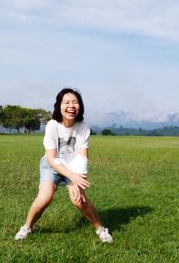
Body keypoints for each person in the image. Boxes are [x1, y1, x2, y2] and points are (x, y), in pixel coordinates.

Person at [15, 88, 113, 243]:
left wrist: (78, 178)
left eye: (75, 102)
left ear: (80, 106)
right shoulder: (52, 126)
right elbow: (52, 159)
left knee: (79, 200)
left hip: (73, 167)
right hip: (51, 166)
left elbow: (82, 156)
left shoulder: (83, 127)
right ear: (59, 106)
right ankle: (27, 227)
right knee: (45, 197)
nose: (71, 106)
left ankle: (100, 229)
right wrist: (71, 176)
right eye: (66, 102)